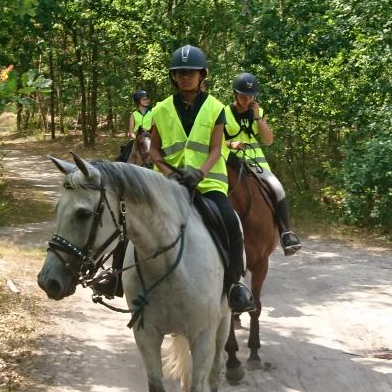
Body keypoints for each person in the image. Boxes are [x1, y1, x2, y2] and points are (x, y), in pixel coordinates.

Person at [143, 45, 252, 313]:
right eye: (179, 73)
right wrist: (170, 173)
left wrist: (200, 172)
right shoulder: (161, 109)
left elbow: (217, 148)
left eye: (190, 72)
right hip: (169, 184)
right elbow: (154, 150)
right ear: (173, 76)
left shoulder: (216, 108)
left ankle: (234, 285)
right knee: (137, 218)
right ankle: (116, 278)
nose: (184, 77)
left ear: (202, 75)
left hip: (208, 183)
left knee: (230, 223)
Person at [227, 72, 302, 255]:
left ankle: (286, 233)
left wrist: (258, 119)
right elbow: (214, 140)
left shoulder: (258, 112)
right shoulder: (223, 112)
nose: (247, 100)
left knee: (277, 188)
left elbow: (268, 140)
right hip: (229, 160)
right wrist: (231, 144)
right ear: (235, 94)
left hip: (256, 162)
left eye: (251, 96)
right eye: (243, 96)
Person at [117, 89, 152, 163]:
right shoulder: (133, 115)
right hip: (137, 139)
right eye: (144, 99)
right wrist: (137, 138)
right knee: (124, 155)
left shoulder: (152, 113)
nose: (147, 101)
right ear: (138, 101)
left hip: (150, 138)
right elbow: (130, 132)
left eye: (147, 99)